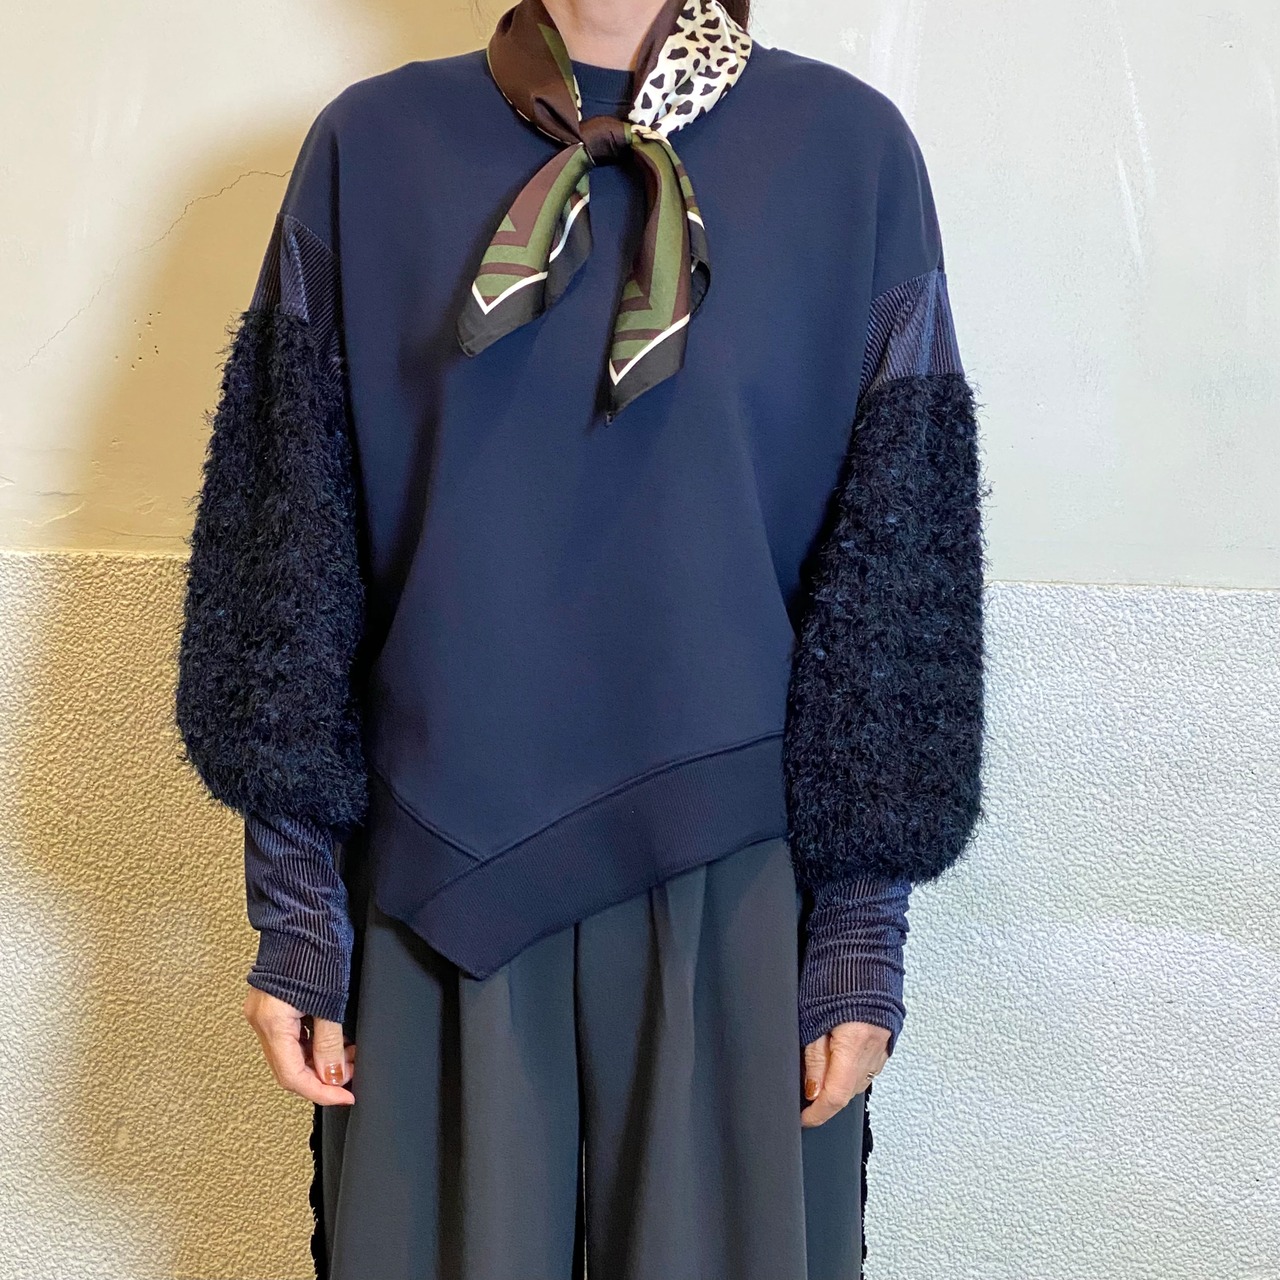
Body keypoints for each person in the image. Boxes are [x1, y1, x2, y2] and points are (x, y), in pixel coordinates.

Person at [174, 0, 986, 1275]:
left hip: (739, 901)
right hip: (433, 894)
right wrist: (297, 910)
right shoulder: (367, 150)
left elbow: (901, 565)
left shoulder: (851, 155)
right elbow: (283, 553)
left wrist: (856, 933)